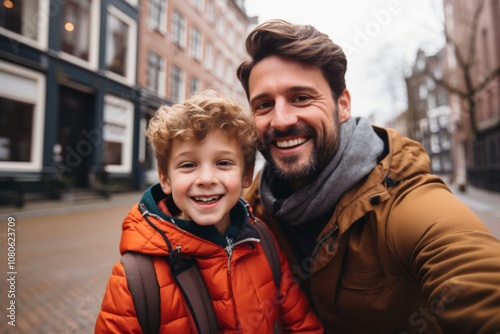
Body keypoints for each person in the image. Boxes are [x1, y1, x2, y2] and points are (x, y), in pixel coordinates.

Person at [237, 19, 500, 334]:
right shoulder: (246, 212)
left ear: (343, 105)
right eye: (264, 105)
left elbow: (476, 278)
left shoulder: (403, 201)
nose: (280, 120)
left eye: (301, 98)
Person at [94, 90, 323, 333]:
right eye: (188, 165)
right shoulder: (136, 278)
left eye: (223, 163)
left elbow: (301, 325)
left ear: (246, 175)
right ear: (165, 178)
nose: (206, 179)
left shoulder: (262, 241)